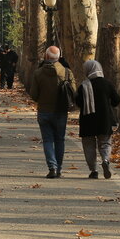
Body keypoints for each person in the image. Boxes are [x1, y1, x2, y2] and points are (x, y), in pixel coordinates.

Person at [26, 45, 76, 178]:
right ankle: (59, 168)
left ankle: (52, 167)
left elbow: (33, 94)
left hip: (44, 111)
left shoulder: (38, 73)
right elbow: (73, 92)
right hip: (60, 111)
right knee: (60, 140)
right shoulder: (66, 72)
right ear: (59, 57)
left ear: (46, 56)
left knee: (47, 140)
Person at [78, 60, 120, 179]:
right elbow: (117, 100)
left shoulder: (84, 85)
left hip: (87, 120)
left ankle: (94, 170)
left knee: (89, 146)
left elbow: (78, 102)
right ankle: (105, 160)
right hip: (104, 119)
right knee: (105, 143)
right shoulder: (107, 84)